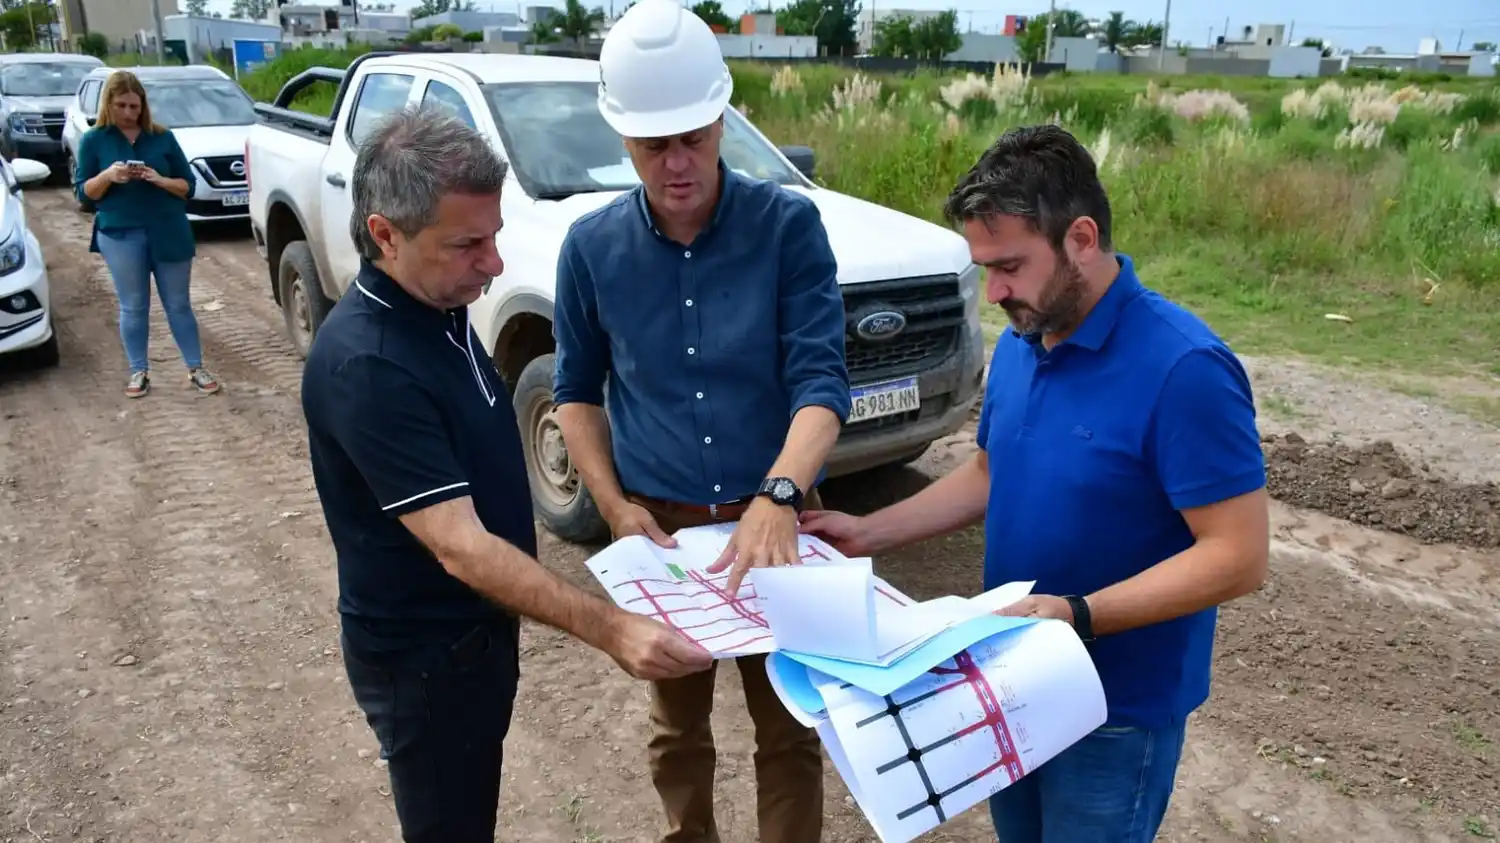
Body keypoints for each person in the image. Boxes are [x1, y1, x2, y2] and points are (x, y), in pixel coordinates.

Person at [800, 124, 1271, 843]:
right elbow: (991, 472)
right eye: (984, 267)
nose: (994, 292)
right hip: (1010, 681)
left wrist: (1078, 614)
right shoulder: (1024, 341)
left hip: (1115, 710)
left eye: (1010, 265)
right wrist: (868, 531)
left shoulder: (1185, 369)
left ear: (1081, 238)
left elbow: (1237, 555)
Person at [299, 105, 712, 843]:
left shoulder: (436, 309)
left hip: (474, 642)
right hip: (425, 665)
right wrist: (611, 626)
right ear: (384, 235)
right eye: (466, 245)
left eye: (492, 238)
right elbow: (459, 544)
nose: (492, 264)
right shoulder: (372, 364)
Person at [550, 1, 851, 840]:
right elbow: (576, 391)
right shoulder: (591, 247)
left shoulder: (787, 227)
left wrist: (781, 492)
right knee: (677, 728)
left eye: (694, 136)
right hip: (663, 531)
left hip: (779, 521)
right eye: (655, 144)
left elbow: (822, 383)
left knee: (790, 726)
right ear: (622, 137)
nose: (677, 162)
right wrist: (614, 509)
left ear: (720, 116)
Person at [74, 69, 219, 398]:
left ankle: (196, 367)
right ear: (108, 104)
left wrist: (158, 179)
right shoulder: (94, 140)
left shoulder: (162, 137)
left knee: (179, 304)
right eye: (122, 106)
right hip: (120, 233)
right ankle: (139, 371)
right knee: (134, 305)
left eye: (134, 107)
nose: (129, 113)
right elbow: (84, 194)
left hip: (168, 229)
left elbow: (187, 187)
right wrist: (109, 175)